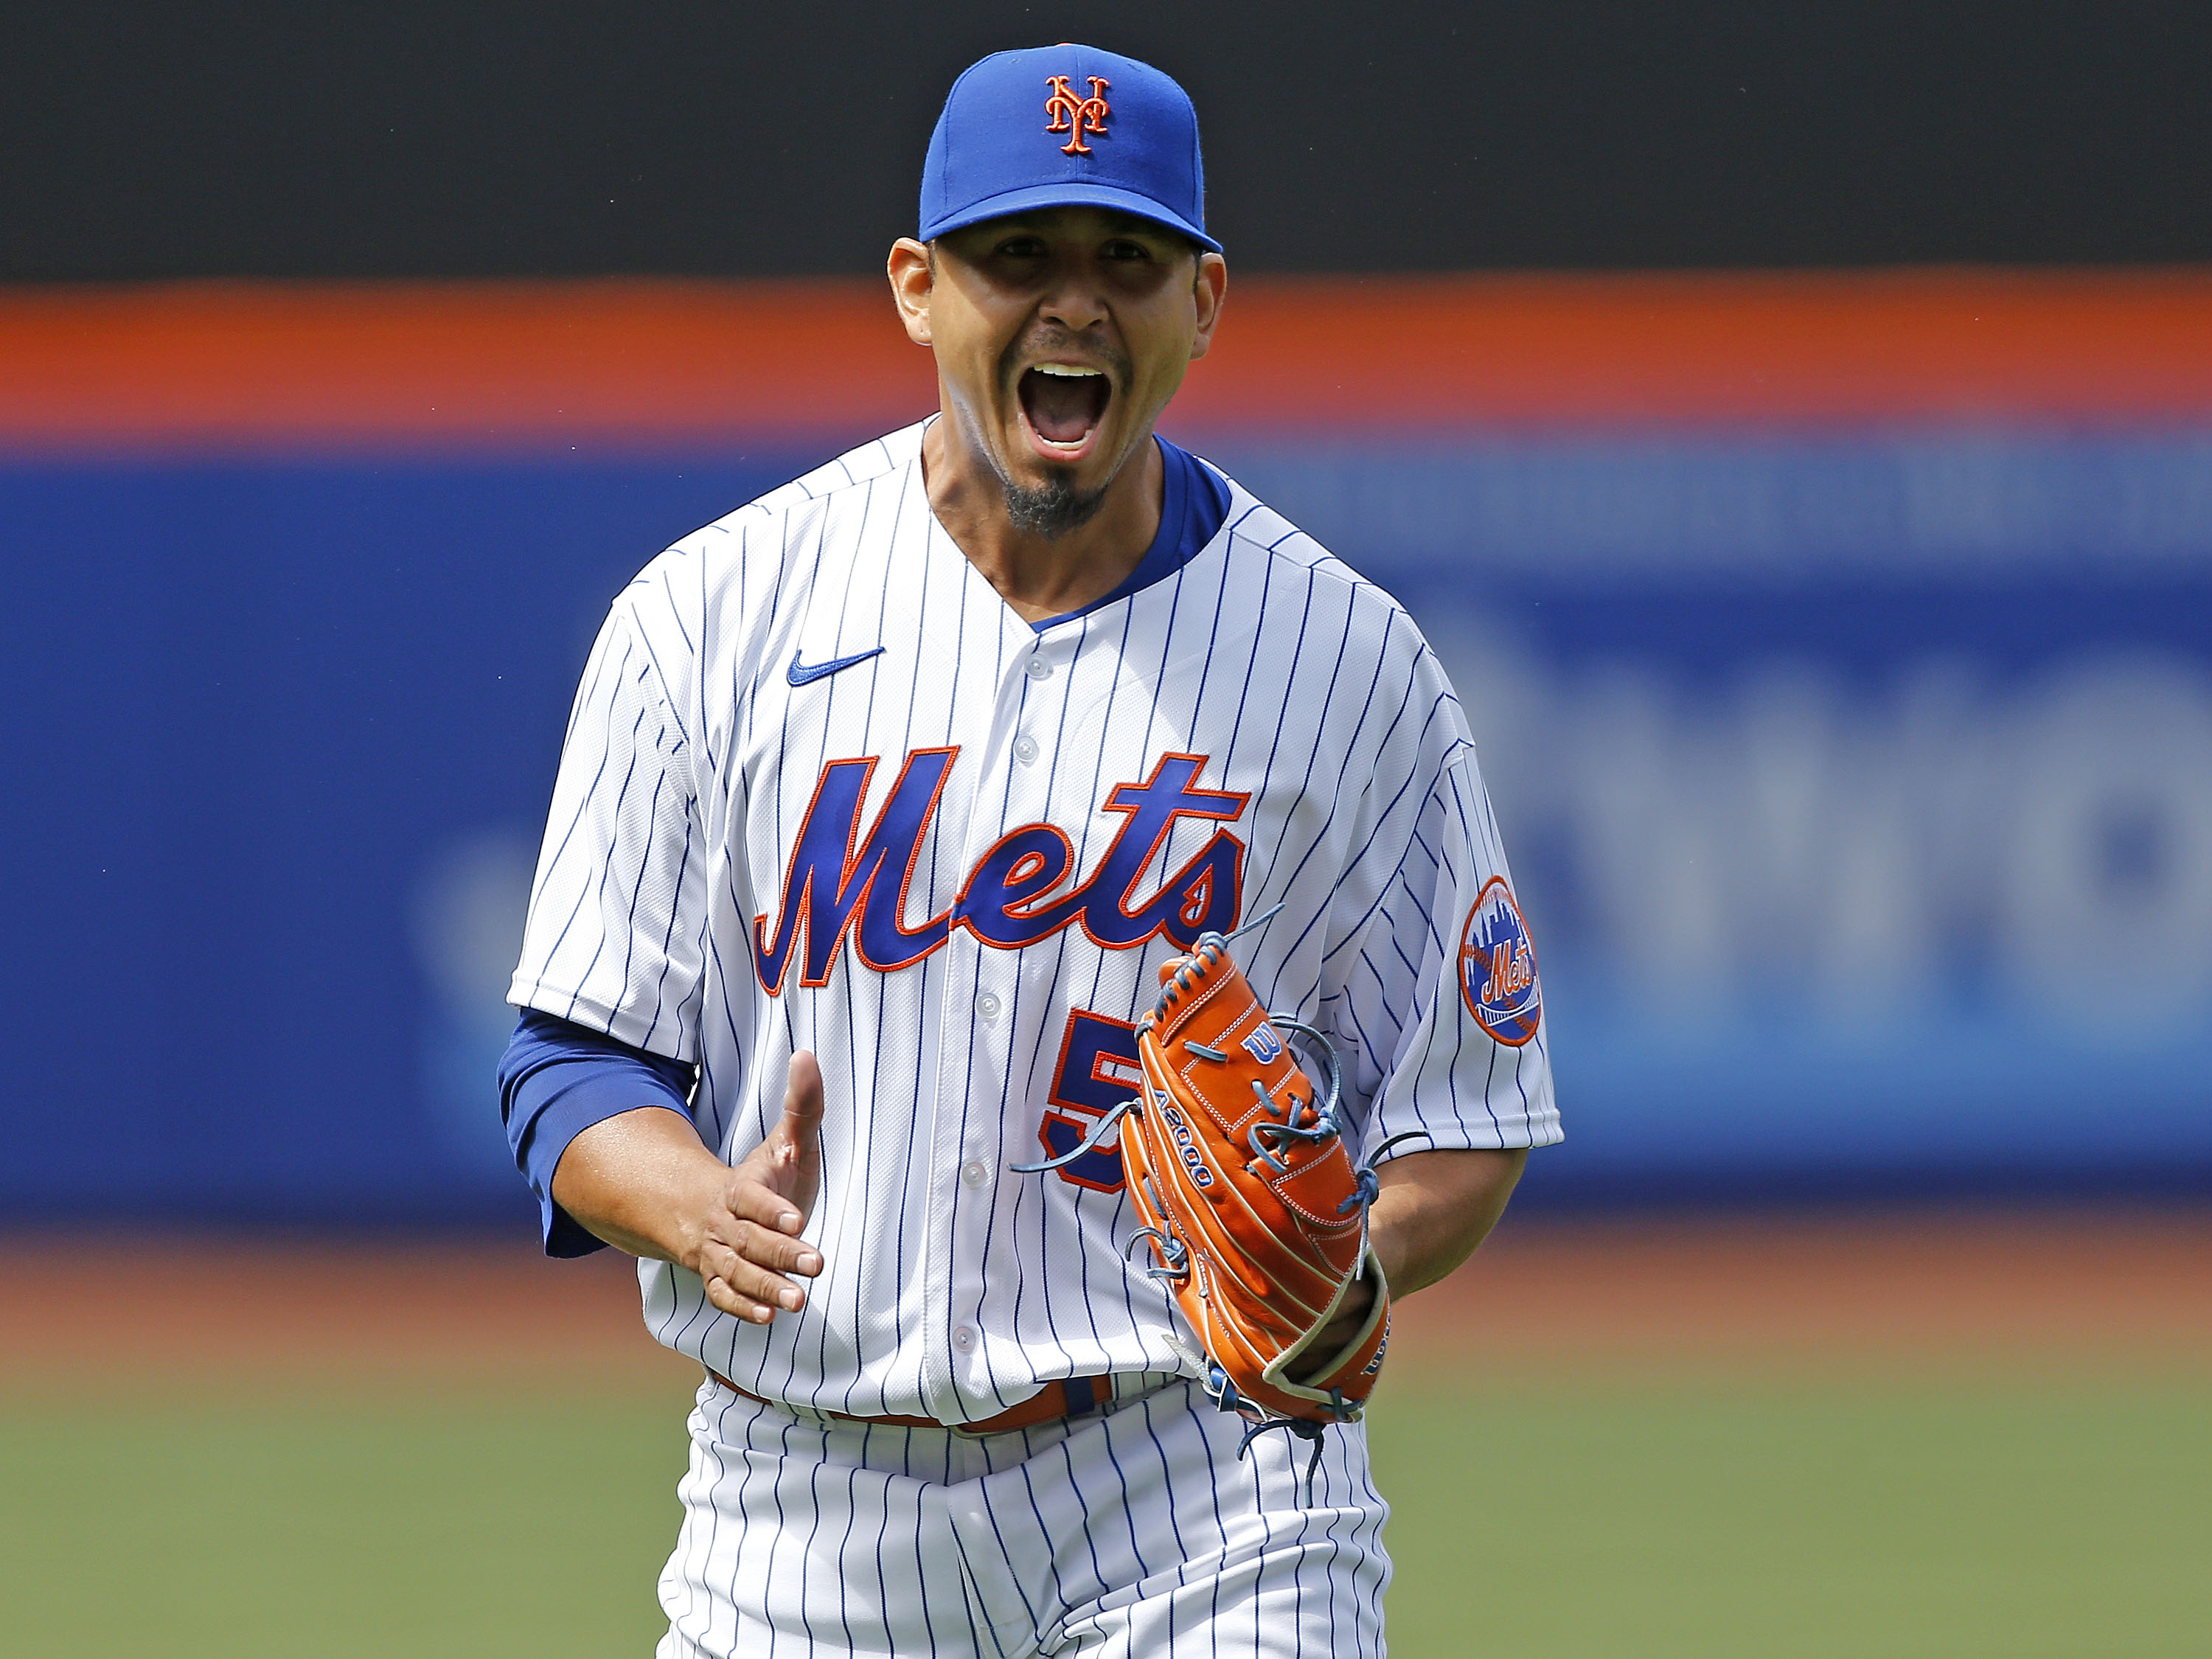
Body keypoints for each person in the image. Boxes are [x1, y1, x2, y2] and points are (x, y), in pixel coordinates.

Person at [499, 42, 1558, 1658]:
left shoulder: (1349, 660)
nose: (1074, 305)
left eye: (1124, 260)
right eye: (1020, 258)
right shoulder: (708, 618)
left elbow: (1461, 1111)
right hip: (805, 1505)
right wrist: (696, 1203)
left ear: (1204, 301)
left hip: (1205, 1489)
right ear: (920, 290)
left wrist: (1355, 1266)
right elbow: (571, 1065)